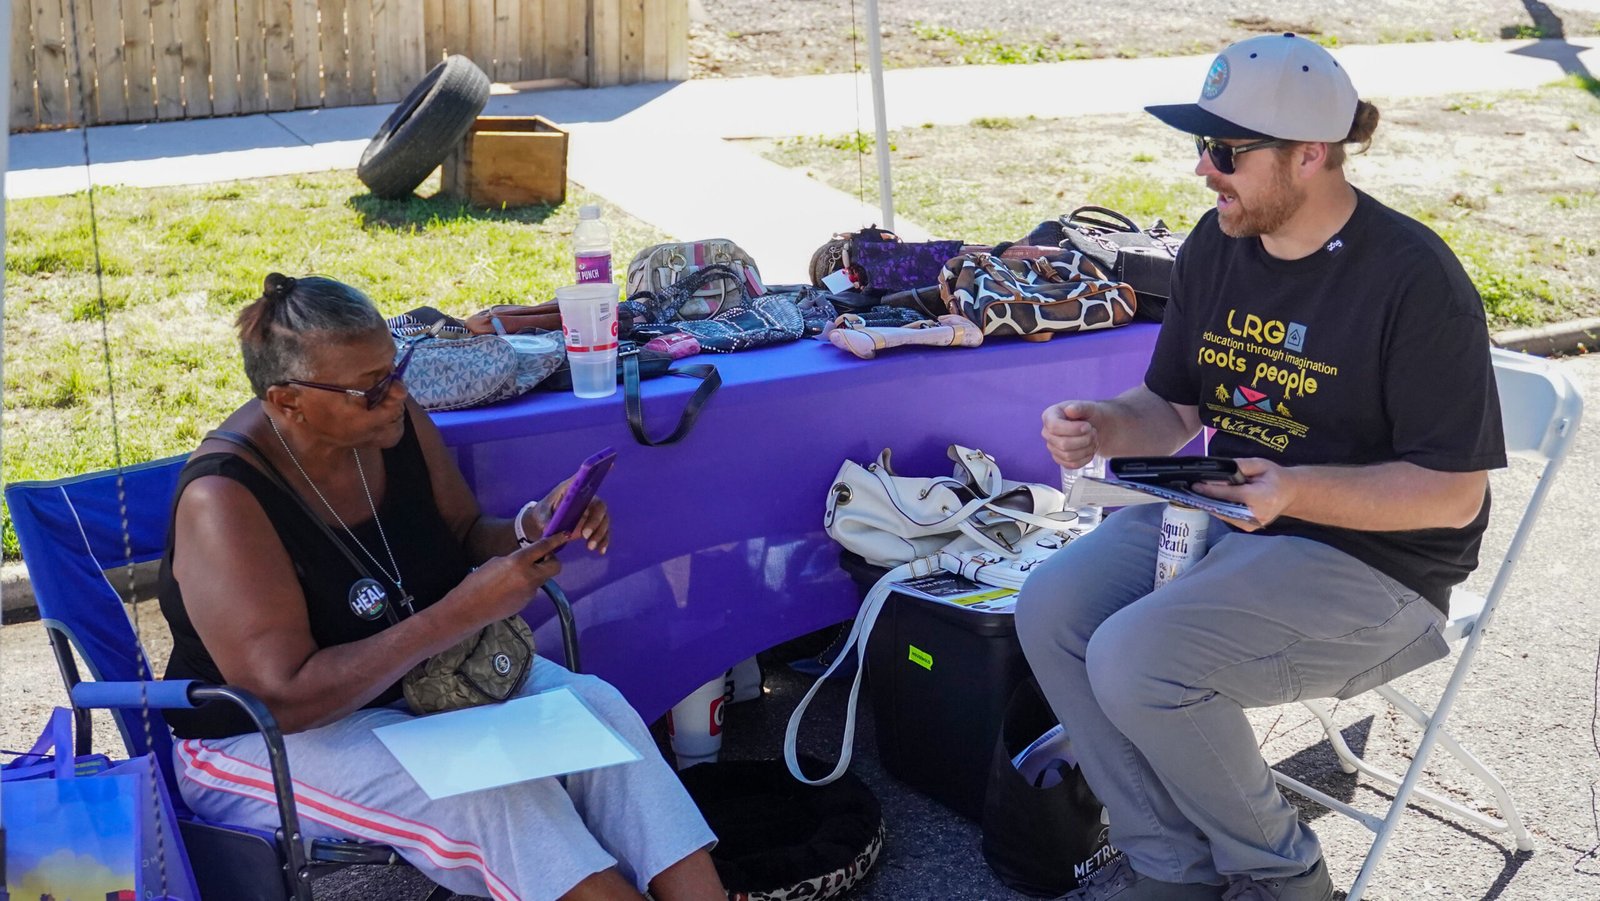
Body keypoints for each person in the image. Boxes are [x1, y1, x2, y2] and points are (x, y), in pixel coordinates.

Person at [1016, 34, 1505, 901]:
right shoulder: (1219, 243)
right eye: (1201, 145)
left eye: (1226, 150)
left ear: (1311, 154)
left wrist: (1297, 490)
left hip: (1380, 568)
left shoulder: (1413, 277)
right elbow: (1173, 410)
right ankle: (1170, 865)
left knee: (1138, 656)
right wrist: (1102, 428)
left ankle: (1282, 877)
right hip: (1234, 521)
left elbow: (1454, 491)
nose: (1205, 170)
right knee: (1050, 606)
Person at [158, 273, 726, 901]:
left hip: (426, 685)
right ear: (288, 401)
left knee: (602, 715)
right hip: (260, 741)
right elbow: (284, 698)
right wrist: (457, 613)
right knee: (496, 794)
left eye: (395, 368)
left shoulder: (388, 423)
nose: (396, 392)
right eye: (369, 387)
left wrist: (529, 527)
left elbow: (459, 531)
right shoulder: (224, 499)